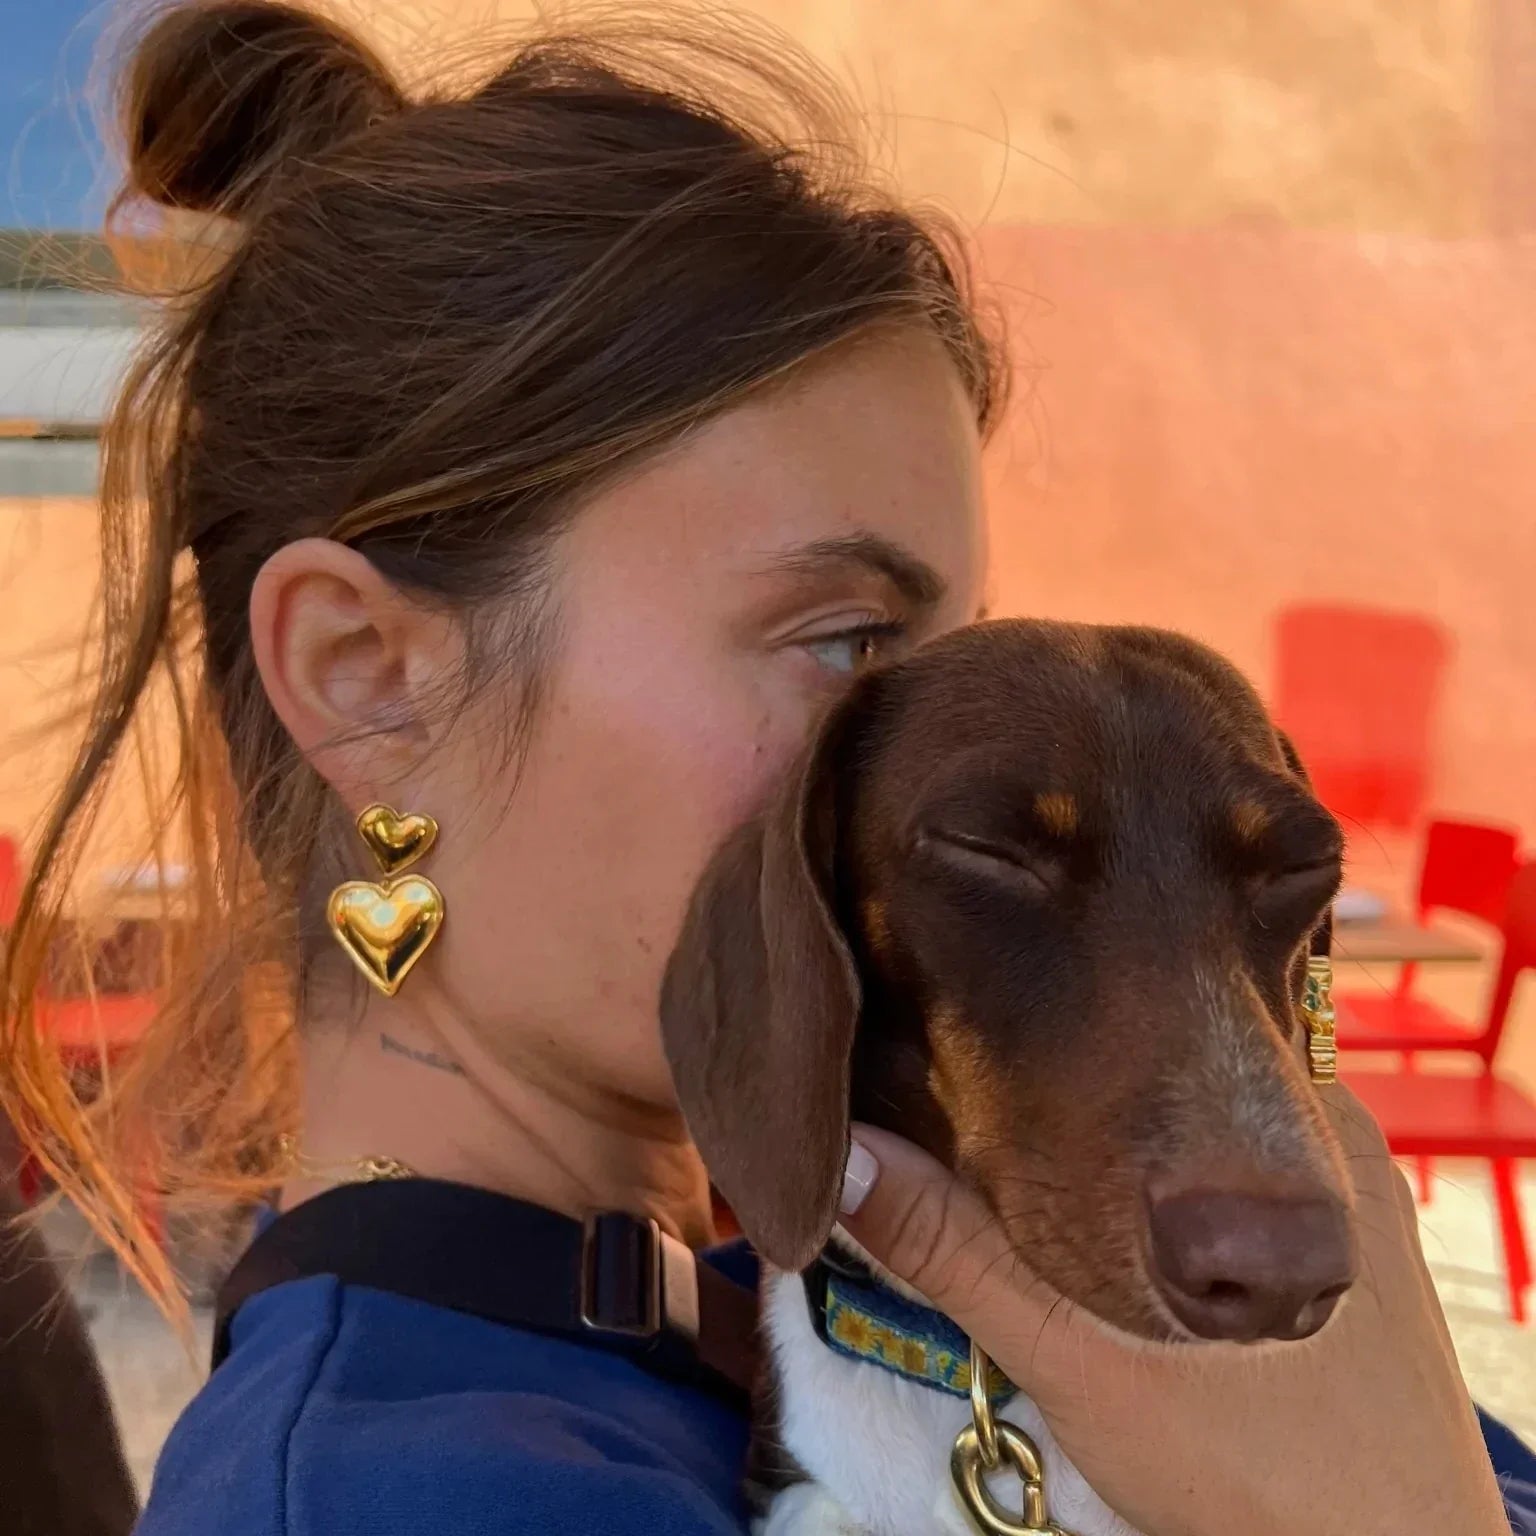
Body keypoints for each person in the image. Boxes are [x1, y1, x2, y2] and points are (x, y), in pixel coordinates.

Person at [0, 3, 1530, 1533]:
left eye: (960, 659)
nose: (926, 735)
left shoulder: (900, 1330)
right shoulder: (394, 1492)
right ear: (370, 678)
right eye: (853, 639)